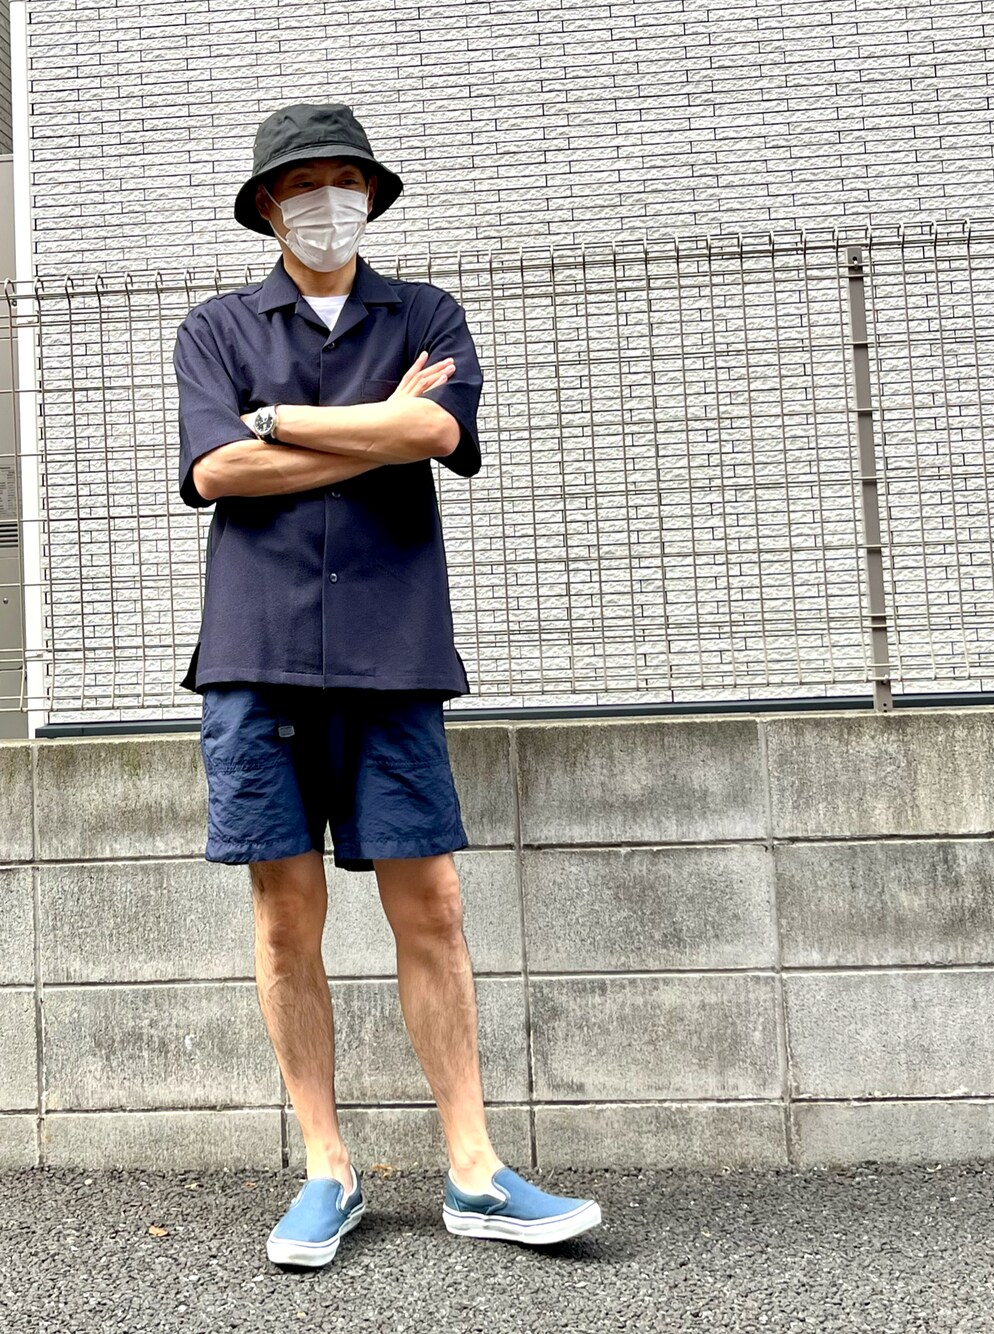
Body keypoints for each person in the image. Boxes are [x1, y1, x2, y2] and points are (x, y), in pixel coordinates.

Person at [172, 102, 602, 1269]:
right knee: (284, 913)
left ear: (370, 194)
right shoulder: (216, 327)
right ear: (267, 206)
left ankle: (474, 1167)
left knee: (435, 903)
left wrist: (286, 424)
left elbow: (438, 434)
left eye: (347, 180)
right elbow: (217, 468)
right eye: (303, 183)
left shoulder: (425, 314)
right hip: (255, 650)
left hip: (392, 647)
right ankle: (327, 1166)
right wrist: (380, 425)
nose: (329, 200)